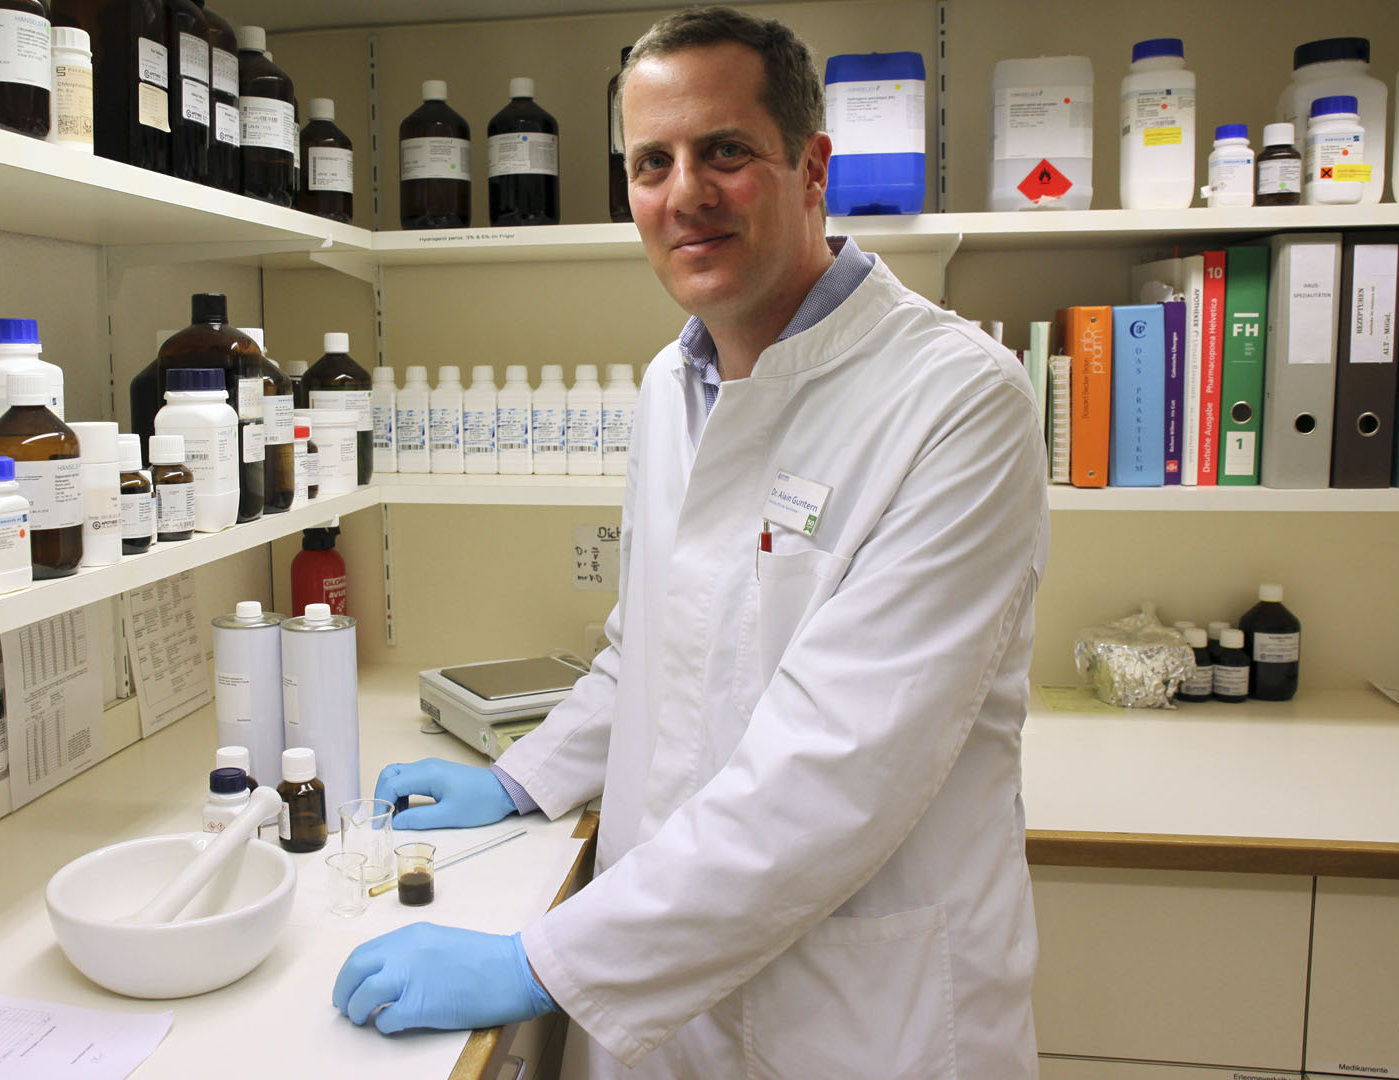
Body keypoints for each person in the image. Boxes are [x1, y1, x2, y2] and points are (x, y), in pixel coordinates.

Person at [332, 7, 1047, 1076]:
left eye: (725, 152)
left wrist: (541, 965)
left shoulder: (956, 399)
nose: (685, 195)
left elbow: (835, 773)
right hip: (667, 996)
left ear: (812, 167)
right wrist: (526, 778)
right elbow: (648, 647)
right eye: (650, 163)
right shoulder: (676, 384)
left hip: (857, 1013)